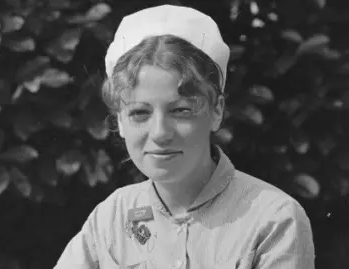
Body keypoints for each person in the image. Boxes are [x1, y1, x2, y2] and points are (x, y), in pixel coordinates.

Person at [54, 4, 315, 269]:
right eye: (139, 113)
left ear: (216, 111)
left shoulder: (274, 220)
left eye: (181, 111)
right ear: (120, 120)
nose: (160, 133)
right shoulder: (112, 217)